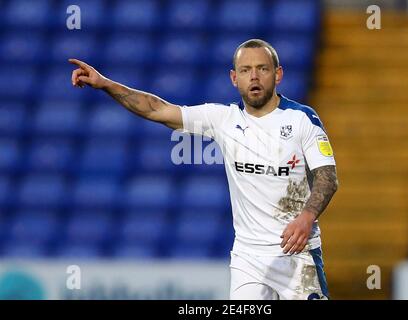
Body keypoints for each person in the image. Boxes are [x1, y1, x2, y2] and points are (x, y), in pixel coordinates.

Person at [69, 39, 338, 300]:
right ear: (234, 78)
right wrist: (105, 84)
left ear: (277, 74)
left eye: (262, 69)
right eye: (246, 70)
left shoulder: (302, 119)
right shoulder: (223, 119)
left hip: (297, 254)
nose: (254, 77)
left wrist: (306, 217)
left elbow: (328, 177)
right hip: (249, 258)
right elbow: (157, 109)